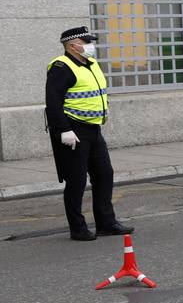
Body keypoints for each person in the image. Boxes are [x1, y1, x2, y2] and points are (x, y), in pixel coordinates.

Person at [46, 27, 132, 241]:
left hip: (94, 129)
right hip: (74, 131)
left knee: (104, 174)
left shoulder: (91, 64)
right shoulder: (61, 67)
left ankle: (106, 223)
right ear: (73, 45)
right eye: (86, 42)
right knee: (76, 181)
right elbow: (53, 101)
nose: (90, 45)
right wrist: (63, 130)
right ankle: (78, 228)